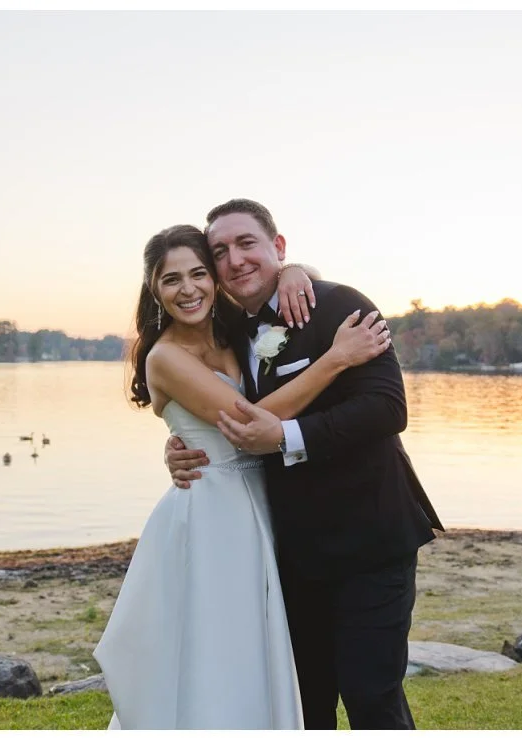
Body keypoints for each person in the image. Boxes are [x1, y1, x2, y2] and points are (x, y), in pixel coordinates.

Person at [93, 223, 391, 730]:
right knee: (218, 653)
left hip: (265, 509)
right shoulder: (164, 356)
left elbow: (275, 289)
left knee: (260, 650)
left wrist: (296, 270)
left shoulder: (235, 329)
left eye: (198, 274)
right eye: (170, 280)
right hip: (211, 517)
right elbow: (247, 424)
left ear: (215, 279)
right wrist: (336, 359)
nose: (187, 289)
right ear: (154, 291)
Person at [166, 199, 443, 730]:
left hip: (370, 540)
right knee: (302, 704)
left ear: (279, 246)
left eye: (247, 242)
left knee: (371, 695)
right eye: (219, 251)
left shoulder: (340, 305)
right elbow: (211, 408)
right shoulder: (226, 332)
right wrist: (182, 443)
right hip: (287, 553)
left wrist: (287, 435)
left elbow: (388, 408)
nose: (235, 259)